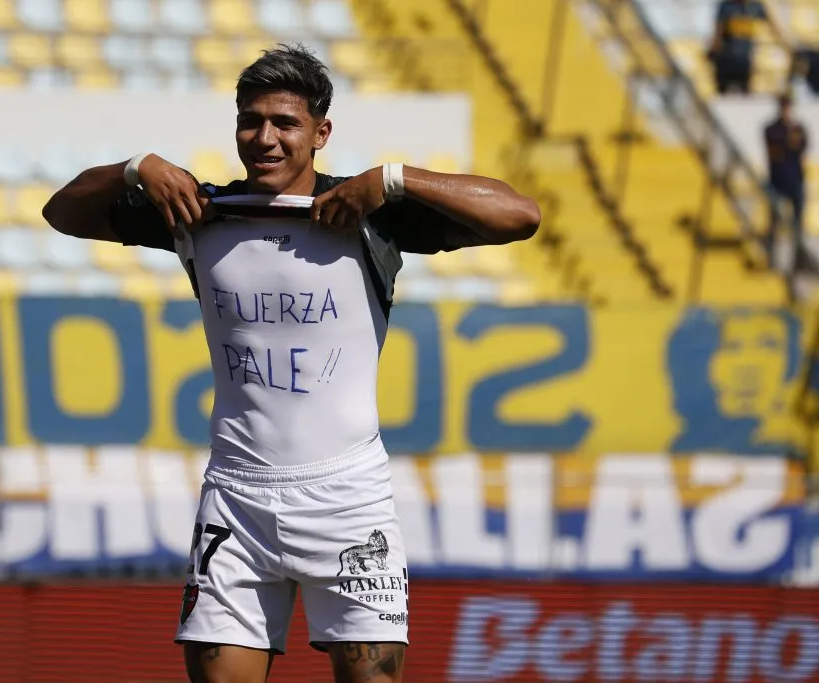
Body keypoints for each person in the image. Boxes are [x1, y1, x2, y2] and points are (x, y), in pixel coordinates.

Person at [43, 44, 539, 683]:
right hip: (236, 500)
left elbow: (519, 214)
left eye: (286, 124)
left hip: (349, 498)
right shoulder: (200, 211)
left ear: (321, 133)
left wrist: (393, 179)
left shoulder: (368, 215)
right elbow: (62, 212)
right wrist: (134, 168)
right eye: (251, 121)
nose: (265, 139)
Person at [764, 93, 809, 270]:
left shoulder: (797, 128)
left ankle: (798, 261)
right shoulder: (772, 129)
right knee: (774, 224)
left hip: (795, 182)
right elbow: (777, 150)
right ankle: (771, 261)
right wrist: (789, 142)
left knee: (798, 226)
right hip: (777, 183)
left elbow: (800, 147)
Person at [709, 0, 768, 95]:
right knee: (723, 93)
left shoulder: (757, 7)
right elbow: (718, 33)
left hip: (749, 58)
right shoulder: (726, 6)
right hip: (728, 57)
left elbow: (768, 30)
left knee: (746, 92)